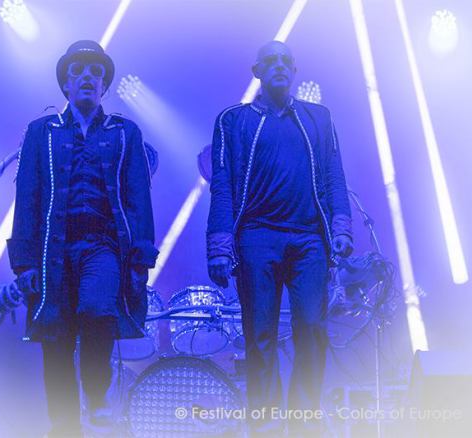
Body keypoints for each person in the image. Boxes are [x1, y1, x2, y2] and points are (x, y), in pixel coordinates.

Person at [7, 40, 157, 437]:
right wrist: (23, 263)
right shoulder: (42, 132)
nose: (88, 76)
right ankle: (64, 427)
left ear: (104, 85)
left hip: (102, 246)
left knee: (97, 310)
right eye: (78, 71)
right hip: (51, 250)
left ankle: (96, 391)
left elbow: (138, 197)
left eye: (96, 71)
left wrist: (141, 257)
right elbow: (27, 197)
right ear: (66, 85)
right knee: (55, 339)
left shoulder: (125, 132)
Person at [206, 41, 353, 437]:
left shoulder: (319, 118)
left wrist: (341, 227)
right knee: (260, 335)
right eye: (271, 60)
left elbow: (334, 176)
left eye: (287, 60)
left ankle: (304, 422)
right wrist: (219, 247)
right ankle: (266, 424)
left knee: (313, 328)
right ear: (257, 71)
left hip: (309, 238)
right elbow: (222, 186)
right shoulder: (233, 121)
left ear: (295, 70)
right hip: (257, 237)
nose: (280, 66)